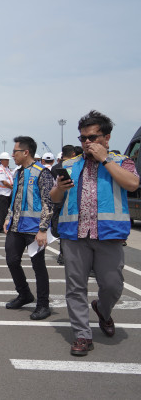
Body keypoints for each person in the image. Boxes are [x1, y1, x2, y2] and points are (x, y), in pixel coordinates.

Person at [51, 110, 139, 356]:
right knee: (75, 287)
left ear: (107, 138)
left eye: (93, 137)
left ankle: (103, 309)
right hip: (74, 235)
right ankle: (82, 334)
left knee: (112, 285)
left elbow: (133, 184)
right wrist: (60, 188)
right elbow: (55, 198)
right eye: (83, 138)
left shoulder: (121, 162)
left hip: (109, 235)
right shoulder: (69, 165)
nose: (87, 143)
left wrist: (105, 160)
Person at [3, 136, 54, 321]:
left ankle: (43, 305)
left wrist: (42, 229)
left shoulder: (42, 173)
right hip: (16, 227)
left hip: (34, 230)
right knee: (11, 260)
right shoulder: (18, 173)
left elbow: (48, 202)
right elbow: (15, 199)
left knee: (38, 267)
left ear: (26, 152)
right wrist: (8, 218)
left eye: (15, 151)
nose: (12, 155)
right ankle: (24, 294)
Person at [50, 144, 78, 265]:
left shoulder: (55, 167)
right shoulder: (74, 166)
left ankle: (62, 254)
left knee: (61, 229)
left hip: (57, 200)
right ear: (73, 154)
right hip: (70, 202)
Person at [0, 152, 13, 233]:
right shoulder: (0, 170)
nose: (8, 161)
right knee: (3, 212)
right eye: (6, 160)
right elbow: (4, 182)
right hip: (3, 193)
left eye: (8, 160)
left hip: (8, 193)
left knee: (8, 211)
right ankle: (1, 228)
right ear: (1, 161)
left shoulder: (7, 169)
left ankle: (7, 226)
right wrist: (13, 188)